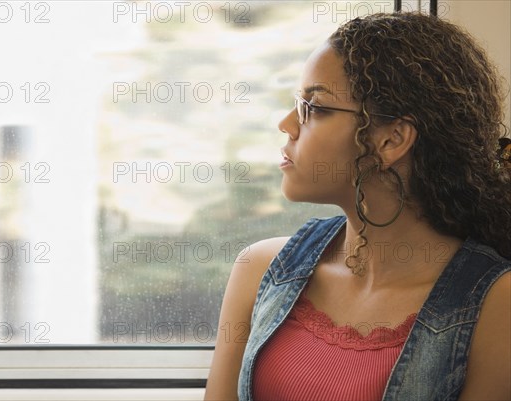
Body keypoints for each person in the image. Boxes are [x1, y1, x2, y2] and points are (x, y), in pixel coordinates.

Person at [204, 12, 511, 401]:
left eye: (314, 108)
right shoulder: (260, 270)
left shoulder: (499, 304)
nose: (286, 124)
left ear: (391, 140)